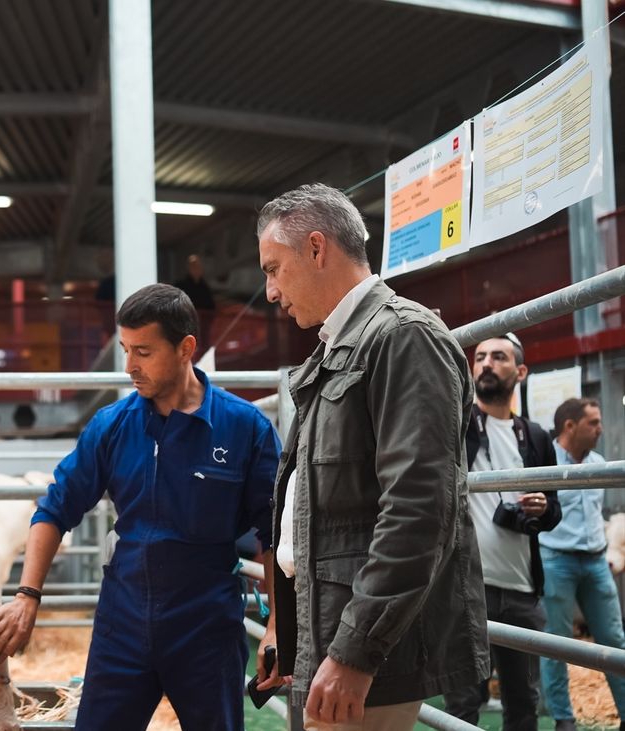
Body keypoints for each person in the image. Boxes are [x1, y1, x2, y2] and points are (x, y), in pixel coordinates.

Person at [0, 283, 280, 730]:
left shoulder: (244, 428)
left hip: (205, 627)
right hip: (123, 623)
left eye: (143, 351)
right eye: (125, 349)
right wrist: (27, 595)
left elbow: (274, 532)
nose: (129, 367)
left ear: (186, 349)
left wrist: (276, 625)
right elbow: (55, 509)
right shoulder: (112, 426)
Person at [254, 183, 488, 731]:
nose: (270, 291)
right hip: (332, 628)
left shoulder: (404, 337)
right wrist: (291, 630)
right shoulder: (344, 345)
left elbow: (418, 508)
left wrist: (355, 652)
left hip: (362, 648)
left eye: (273, 268)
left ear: (317, 248)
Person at [443, 333, 562, 731]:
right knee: (463, 704)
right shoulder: (458, 425)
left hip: (522, 590)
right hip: (466, 588)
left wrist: (543, 508)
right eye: (479, 357)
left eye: (498, 357)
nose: (486, 364)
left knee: (524, 705)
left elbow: (553, 512)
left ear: (520, 371)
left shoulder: (537, 436)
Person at [538, 397, 625, 731]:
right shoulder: (544, 460)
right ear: (570, 426)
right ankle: (563, 719)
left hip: (596, 561)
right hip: (555, 559)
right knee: (556, 642)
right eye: (593, 422)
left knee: (614, 640)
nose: (600, 428)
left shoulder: (599, 462)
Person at [173, 254, 217, 342]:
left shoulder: (205, 287)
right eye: (193, 266)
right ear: (189, 268)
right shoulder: (181, 286)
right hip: (186, 326)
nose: (196, 269)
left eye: (197, 266)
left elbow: (211, 307)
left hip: (203, 328)